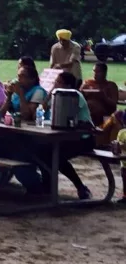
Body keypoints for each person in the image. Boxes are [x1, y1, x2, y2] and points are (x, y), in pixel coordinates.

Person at [38, 71, 94, 200]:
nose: (55, 84)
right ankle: (47, 186)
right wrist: (51, 92)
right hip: (65, 137)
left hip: (84, 138)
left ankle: (80, 187)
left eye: (59, 82)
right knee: (42, 151)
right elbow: (41, 110)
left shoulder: (75, 96)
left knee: (56, 156)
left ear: (68, 85)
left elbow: (70, 118)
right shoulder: (57, 95)